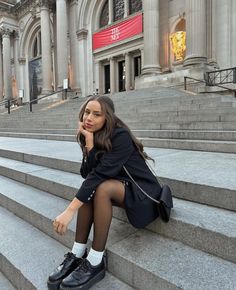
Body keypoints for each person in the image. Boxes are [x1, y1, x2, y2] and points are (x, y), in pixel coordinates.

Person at [47, 95, 162, 290]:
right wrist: (89, 144)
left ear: (107, 118)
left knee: (100, 187)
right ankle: (77, 253)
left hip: (142, 191)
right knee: (94, 187)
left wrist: (70, 210)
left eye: (96, 114)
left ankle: (95, 261)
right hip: (119, 186)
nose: (89, 118)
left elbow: (98, 175)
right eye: (87, 112)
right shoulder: (94, 134)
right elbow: (87, 174)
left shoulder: (120, 136)